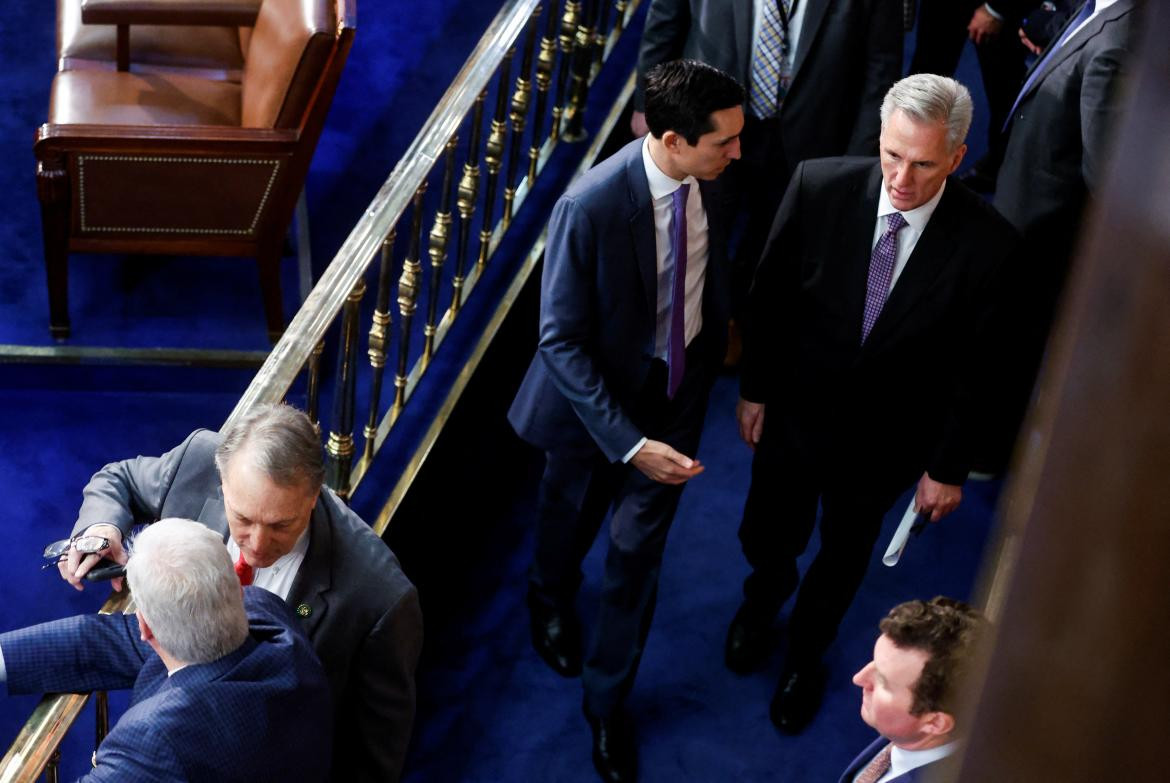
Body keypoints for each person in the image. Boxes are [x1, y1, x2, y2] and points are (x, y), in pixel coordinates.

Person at [726, 73, 1019, 734]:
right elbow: (769, 299)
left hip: (888, 440)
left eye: (921, 162)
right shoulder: (818, 186)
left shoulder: (989, 245)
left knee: (841, 557)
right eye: (892, 154)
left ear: (956, 157)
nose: (902, 178)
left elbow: (982, 370)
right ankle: (760, 600)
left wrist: (946, 465)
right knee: (770, 530)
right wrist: (755, 389)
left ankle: (805, 653)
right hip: (793, 416)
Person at [508, 59, 743, 782]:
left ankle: (605, 704)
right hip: (592, 406)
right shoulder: (591, 205)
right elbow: (561, 341)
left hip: (676, 390)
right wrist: (629, 443)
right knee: (569, 518)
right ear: (672, 140)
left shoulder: (723, 182)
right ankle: (547, 595)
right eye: (722, 144)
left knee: (636, 555)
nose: (739, 153)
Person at [57, 403, 422, 783]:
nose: (258, 544)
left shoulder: (380, 599)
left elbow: (373, 761)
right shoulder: (196, 460)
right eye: (243, 518)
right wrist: (101, 530)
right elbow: (119, 479)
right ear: (222, 482)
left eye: (281, 524)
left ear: (315, 495)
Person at [632, 0, 903, 358]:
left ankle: (740, 320)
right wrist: (647, 106)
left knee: (774, 237)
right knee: (696, 227)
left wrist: (857, 159)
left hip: (812, 130)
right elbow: (666, 19)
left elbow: (881, 70)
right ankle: (692, 324)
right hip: (708, 125)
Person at [4, 517, 333, 782]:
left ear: (145, 626)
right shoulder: (268, 613)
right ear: (233, 585)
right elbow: (101, 643)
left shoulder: (155, 741)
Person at [985, 0, 1140, 470]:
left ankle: (988, 451)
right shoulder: (1099, 9)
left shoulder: (1119, 35)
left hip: (1043, 223)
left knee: (1014, 337)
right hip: (1024, 195)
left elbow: (1101, 171)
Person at [841, 597, 989, 782]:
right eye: (874, 662)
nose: (858, 678)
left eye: (883, 681)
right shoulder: (909, 734)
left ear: (935, 723)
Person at [909, 0, 1036, 191]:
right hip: (941, 9)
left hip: (1000, 15)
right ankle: (908, 151)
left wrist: (998, 9)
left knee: (1005, 93)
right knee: (925, 79)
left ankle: (1002, 171)